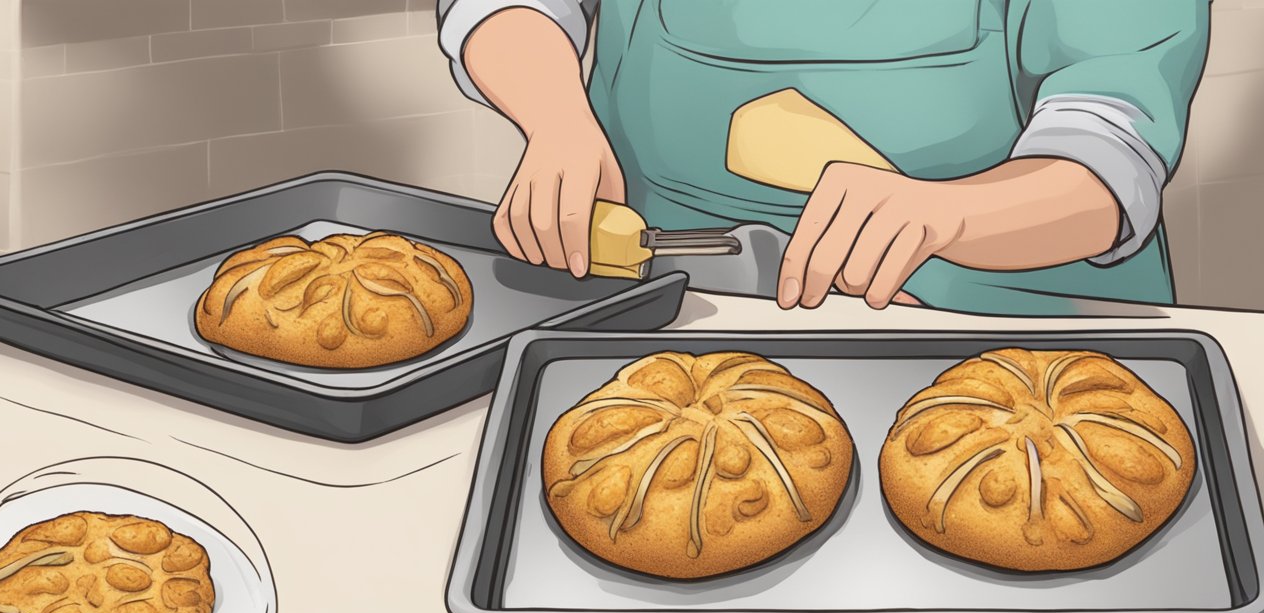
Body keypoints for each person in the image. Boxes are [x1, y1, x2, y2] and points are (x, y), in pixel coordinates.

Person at [436, 1, 1208, 315]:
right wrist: (556, 119)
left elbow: (1109, 148)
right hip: (666, 301)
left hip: (999, 317)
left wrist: (949, 216)